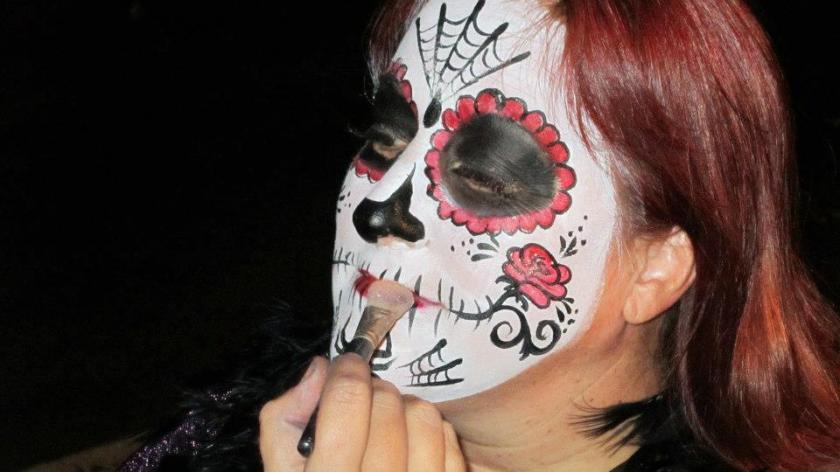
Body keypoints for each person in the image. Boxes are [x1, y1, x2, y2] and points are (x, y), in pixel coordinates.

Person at [121, 0, 840, 470]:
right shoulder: (235, 430)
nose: (379, 209)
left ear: (656, 268)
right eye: (384, 137)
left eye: (489, 177)